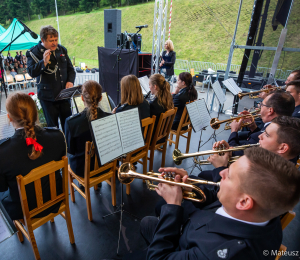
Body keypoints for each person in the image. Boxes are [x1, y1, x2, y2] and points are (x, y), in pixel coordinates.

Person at [134, 147, 300, 260]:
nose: (221, 172)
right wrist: (189, 183)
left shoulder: (213, 253)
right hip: (198, 228)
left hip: (184, 245)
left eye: (229, 175)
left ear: (243, 202)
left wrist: (173, 206)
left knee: (149, 223)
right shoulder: (264, 214)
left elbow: (159, 257)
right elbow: (214, 197)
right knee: (149, 221)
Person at [0, 93, 65, 221]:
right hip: (56, 198)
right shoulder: (57, 136)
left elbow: (2, 187)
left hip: (25, 210)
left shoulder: (3, 152)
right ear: (35, 113)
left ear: (9, 117)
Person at [26, 25, 75, 132]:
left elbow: (71, 70)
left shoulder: (61, 49)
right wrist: (43, 62)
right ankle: (56, 148)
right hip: (48, 98)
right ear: (42, 40)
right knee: (53, 129)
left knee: (68, 125)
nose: (54, 43)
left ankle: (69, 148)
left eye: (56, 40)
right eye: (51, 40)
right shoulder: (33, 52)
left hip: (64, 96)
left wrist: (70, 81)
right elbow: (31, 72)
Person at [65, 80, 111, 178]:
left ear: (82, 98)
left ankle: (83, 186)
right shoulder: (110, 118)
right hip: (106, 165)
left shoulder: (71, 122)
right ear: (101, 98)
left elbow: (71, 150)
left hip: (82, 170)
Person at [228, 90, 295, 154]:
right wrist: (253, 127)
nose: (259, 107)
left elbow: (234, 152)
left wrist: (234, 131)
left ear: (270, 111)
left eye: (262, 105)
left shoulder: (263, 135)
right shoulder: (289, 126)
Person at [148, 74, 174, 142]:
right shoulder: (168, 99)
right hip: (163, 136)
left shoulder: (153, 105)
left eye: (150, 85)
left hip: (153, 139)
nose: (149, 87)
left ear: (155, 86)